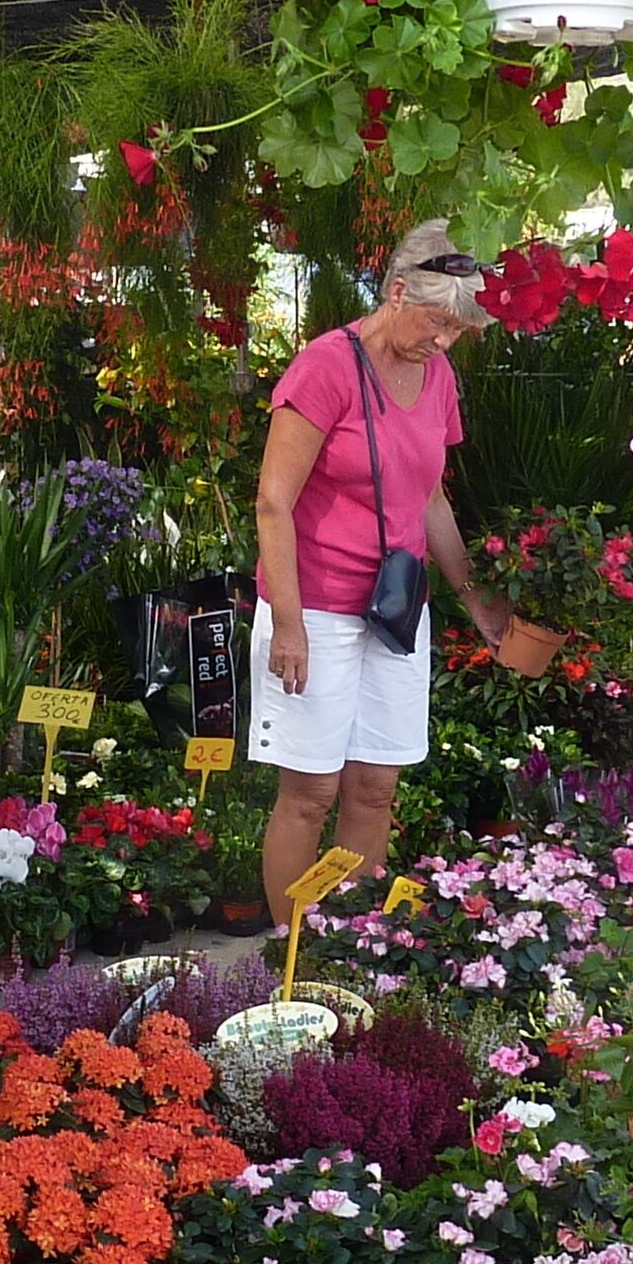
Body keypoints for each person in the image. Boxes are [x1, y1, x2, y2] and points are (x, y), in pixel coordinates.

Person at [253, 221, 511, 919]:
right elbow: (274, 503)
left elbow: (428, 495)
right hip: (316, 607)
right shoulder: (326, 367)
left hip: (395, 607)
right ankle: (289, 951)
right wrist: (288, 625)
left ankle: (356, 941)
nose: (444, 341)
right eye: (437, 323)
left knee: (374, 787)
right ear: (397, 292)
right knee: (310, 794)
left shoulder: (438, 376)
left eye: (457, 331)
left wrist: (472, 599)